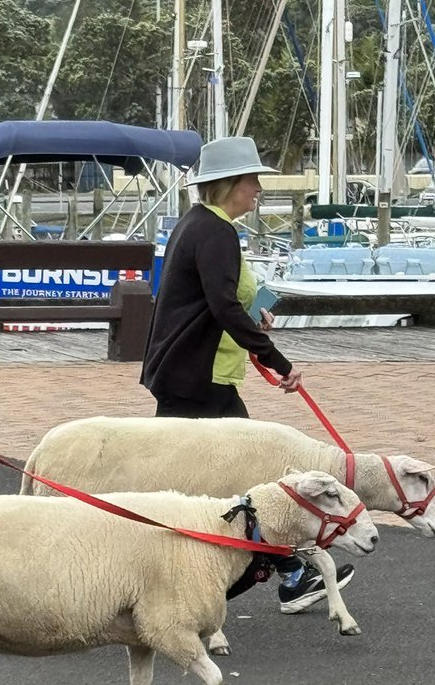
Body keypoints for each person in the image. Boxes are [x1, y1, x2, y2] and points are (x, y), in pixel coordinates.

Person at [141, 134, 353, 614]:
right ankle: (287, 571)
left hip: (194, 373)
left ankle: (286, 570)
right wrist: (279, 361)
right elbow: (220, 307)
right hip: (199, 377)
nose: (258, 188)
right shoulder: (215, 232)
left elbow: (217, 302)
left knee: (216, 478)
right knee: (231, 477)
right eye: (253, 179)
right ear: (230, 183)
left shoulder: (196, 225)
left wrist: (253, 317)